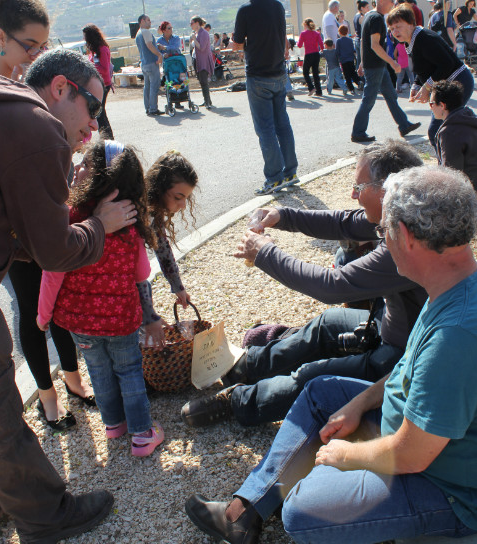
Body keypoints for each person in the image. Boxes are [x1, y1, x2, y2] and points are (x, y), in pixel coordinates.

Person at [185, 166, 477, 544]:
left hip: (454, 488)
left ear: (404, 236)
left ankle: (262, 505)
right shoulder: (465, 280)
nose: (379, 241)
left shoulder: (457, 336)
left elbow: (412, 455)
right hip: (425, 439)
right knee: (323, 391)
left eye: (384, 231)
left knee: (302, 513)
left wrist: (345, 456)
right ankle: (242, 514)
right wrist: (361, 403)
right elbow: (410, 365)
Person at [0, 44, 138, 544]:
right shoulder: (40, 125)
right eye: (93, 107)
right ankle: (47, 518)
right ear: (61, 89)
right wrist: (99, 223)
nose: (94, 126)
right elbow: (53, 253)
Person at [181, 139, 427, 429]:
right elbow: (343, 223)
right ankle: (247, 366)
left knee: (314, 376)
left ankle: (238, 401)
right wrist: (283, 216)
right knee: (325, 325)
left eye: (359, 188)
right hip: (387, 323)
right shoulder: (407, 212)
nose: (352, 194)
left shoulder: (408, 241)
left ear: (388, 189)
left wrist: (264, 253)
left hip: (403, 357)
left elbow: (333, 286)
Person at [0, 0, 92, 432]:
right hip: (13, 233)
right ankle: (48, 398)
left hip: (44, 216)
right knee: (31, 309)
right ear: (0, 37)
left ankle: (71, 380)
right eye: (30, 45)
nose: (35, 56)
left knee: (57, 302)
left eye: (42, 47)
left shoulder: (29, 88)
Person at [37, 140, 164, 458]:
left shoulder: (70, 219)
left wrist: (42, 316)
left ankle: (114, 426)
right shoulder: (129, 223)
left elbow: (52, 274)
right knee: (129, 371)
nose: (76, 167)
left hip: (79, 321)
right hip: (120, 319)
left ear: (95, 177)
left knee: (98, 371)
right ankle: (141, 435)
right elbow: (141, 272)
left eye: (83, 163)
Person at [230, 0, 298, 196]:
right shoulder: (278, 7)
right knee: (283, 125)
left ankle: (274, 177)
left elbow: (237, 45)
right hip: (279, 73)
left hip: (258, 76)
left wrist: (237, 45)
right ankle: (290, 172)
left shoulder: (245, 11)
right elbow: (282, 39)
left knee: (265, 129)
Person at [387, 4, 475, 146]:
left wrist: (427, 86)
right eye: (391, 28)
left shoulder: (424, 38)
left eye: (398, 26)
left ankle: (456, 163)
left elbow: (446, 64)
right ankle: (458, 161)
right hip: (446, 87)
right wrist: (416, 85)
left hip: (457, 82)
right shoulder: (412, 40)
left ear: (410, 24)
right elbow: (424, 67)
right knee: (441, 131)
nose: (394, 31)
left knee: (438, 131)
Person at [351, 0, 421, 144]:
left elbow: (365, 43)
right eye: (391, 1)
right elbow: (375, 45)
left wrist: (362, 62)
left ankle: (404, 125)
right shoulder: (376, 18)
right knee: (369, 99)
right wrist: (393, 62)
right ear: (381, 1)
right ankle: (358, 132)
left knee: (390, 95)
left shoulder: (370, 16)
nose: (393, 4)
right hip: (376, 66)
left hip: (376, 65)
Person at [144, 151, 199, 335]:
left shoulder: (153, 211)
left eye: (186, 198)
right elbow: (134, 272)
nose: (183, 205)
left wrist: (178, 286)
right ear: (159, 188)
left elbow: (163, 248)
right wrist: (148, 315)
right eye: (178, 197)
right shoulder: (135, 215)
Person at [430, 81, 477, 208]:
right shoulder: (468, 118)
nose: (430, 107)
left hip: (476, 198)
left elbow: (451, 174)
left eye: (432, 103)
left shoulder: (450, 132)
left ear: (442, 105)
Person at [83, 23, 114, 139]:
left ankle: (107, 138)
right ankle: (106, 137)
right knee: (100, 113)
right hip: (97, 83)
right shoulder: (93, 50)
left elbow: (105, 69)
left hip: (104, 84)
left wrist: (90, 67)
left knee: (100, 113)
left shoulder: (102, 49)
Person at [135, 14, 163, 117]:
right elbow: (149, 45)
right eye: (148, 20)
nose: (150, 22)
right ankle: (153, 108)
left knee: (147, 87)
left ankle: (148, 108)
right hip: (151, 63)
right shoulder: (146, 31)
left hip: (144, 63)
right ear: (142, 21)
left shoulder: (138, 33)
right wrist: (159, 54)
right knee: (154, 86)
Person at [190, 15, 214, 109]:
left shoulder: (203, 33)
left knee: (204, 81)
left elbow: (202, 47)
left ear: (197, 23)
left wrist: (194, 39)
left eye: (191, 23)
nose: (190, 25)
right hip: (197, 59)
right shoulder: (196, 33)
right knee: (201, 80)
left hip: (203, 60)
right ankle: (207, 100)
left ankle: (207, 102)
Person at [297, 18, 324, 96]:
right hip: (316, 54)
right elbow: (321, 43)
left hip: (308, 54)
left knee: (305, 72)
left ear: (305, 25)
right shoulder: (317, 33)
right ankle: (319, 91)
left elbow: (299, 45)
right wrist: (322, 49)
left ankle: (311, 87)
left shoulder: (303, 34)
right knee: (315, 73)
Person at [336, 25, 361, 92]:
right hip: (351, 58)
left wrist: (338, 58)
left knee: (346, 74)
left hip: (343, 60)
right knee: (353, 72)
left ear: (339, 32)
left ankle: (351, 88)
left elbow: (337, 51)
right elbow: (352, 49)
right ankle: (358, 81)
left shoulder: (338, 41)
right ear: (347, 32)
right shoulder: (350, 40)